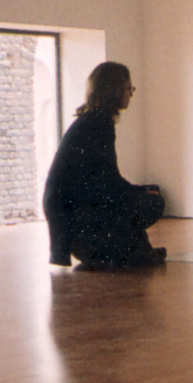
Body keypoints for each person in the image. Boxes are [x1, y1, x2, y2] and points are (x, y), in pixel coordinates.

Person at [43, 62, 165, 269]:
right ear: (114, 90)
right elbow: (108, 182)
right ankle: (120, 251)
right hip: (80, 221)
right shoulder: (99, 124)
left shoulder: (92, 120)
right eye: (128, 88)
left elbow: (103, 179)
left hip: (74, 217)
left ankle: (133, 251)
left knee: (143, 200)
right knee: (154, 203)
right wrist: (142, 192)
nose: (131, 94)